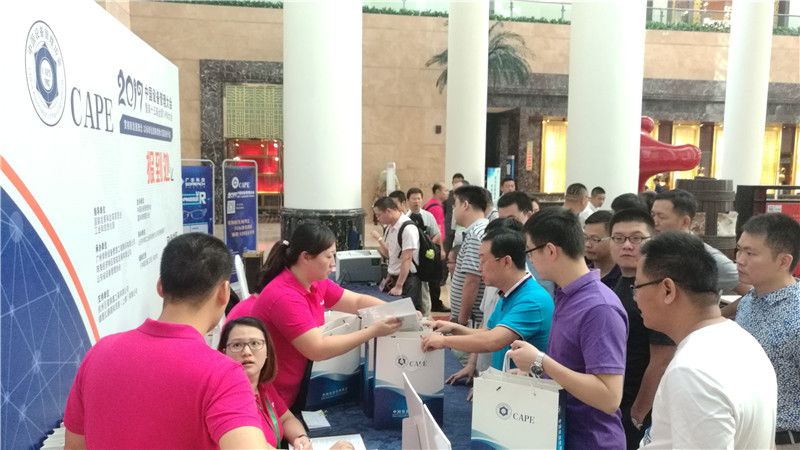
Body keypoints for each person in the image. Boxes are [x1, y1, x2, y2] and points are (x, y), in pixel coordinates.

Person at [64, 233, 269, 449]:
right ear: (224, 292)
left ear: (160, 287)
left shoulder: (99, 354)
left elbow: (74, 446)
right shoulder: (222, 375)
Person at [635, 232, 777, 449]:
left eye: (637, 287)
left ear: (668, 290)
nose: (635, 298)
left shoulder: (691, 371)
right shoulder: (742, 340)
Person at [510, 207, 628, 450]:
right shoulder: (567, 295)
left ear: (550, 250)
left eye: (530, 251)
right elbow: (572, 366)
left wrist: (541, 362)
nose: (529, 260)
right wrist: (537, 373)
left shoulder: (599, 308)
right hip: (563, 433)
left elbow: (609, 397)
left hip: (592, 441)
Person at [251, 223, 402, 411]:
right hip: (275, 400)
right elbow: (317, 349)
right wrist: (371, 332)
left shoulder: (315, 282)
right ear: (306, 257)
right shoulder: (284, 296)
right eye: (329, 256)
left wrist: (399, 312)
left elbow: (357, 302)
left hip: (302, 388)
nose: (333, 263)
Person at [420, 220, 553, 378]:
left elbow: (492, 341)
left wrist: (443, 341)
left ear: (506, 262)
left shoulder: (532, 300)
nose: (479, 268)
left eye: (483, 261)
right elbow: (489, 332)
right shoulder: (509, 292)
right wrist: (452, 328)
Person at [608, 209, 675, 449]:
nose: (626, 245)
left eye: (636, 238)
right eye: (618, 238)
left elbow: (662, 359)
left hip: (639, 412)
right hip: (615, 403)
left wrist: (637, 415)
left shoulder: (657, 288)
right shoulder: (620, 283)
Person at [732, 213, 800, 448]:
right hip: (745, 435)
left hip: (785, 440)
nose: (739, 260)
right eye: (739, 250)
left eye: (750, 253)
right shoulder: (749, 299)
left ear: (783, 261)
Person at [219, 317, 311, 450]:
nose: (247, 352)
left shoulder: (263, 384)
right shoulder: (228, 399)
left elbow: (285, 418)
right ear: (224, 354)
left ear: (267, 351)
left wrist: (301, 437)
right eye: (237, 345)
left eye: (255, 343)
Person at [651, 189, 750, 295]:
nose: (654, 222)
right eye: (653, 215)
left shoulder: (708, 258)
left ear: (685, 222)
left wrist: (722, 309)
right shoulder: (649, 249)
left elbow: (753, 294)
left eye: (662, 217)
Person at [496, 191, 555, 298]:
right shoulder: (500, 248)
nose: (506, 226)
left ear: (529, 216)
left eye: (512, 219)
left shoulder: (543, 246)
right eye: (501, 221)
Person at [372, 196, 423, 312]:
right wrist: (390, 274)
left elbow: (407, 258)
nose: (378, 219)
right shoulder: (390, 227)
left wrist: (399, 286)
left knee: (406, 315)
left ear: (388, 211)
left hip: (407, 281)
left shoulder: (408, 229)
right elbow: (393, 254)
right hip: (395, 278)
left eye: (379, 215)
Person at [450, 185, 489, 327]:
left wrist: (462, 320)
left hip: (471, 320)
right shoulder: (480, 230)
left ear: (465, 205)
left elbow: (472, 281)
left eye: (455, 205)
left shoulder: (476, 234)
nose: (454, 210)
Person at [407, 187, 448, 313]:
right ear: (408, 200)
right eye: (414, 199)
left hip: (426, 257)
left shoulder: (428, 216)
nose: (417, 201)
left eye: (419, 199)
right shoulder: (405, 218)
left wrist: (430, 246)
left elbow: (437, 234)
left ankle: (425, 313)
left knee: (425, 287)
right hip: (410, 257)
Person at [584, 210, 621, 289]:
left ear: (614, 239)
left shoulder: (623, 277)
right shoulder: (582, 273)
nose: (587, 244)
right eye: (585, 238)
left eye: (594, 239)